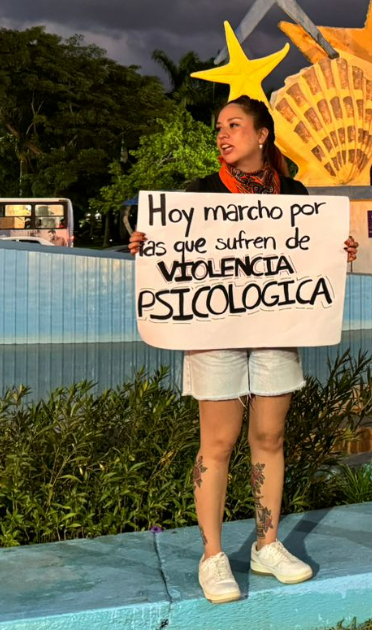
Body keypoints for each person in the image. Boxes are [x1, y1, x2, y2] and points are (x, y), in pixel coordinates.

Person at [129, 96, 359, 604]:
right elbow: (171, 249)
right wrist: (150, 245)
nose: (223, 135)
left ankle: (266, 544)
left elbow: (311, 260)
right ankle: (212, 555)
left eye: (234, 126)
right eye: (218, 128)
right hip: (215, 336)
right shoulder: (199, 195)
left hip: (277, 330)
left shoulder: (296, 195)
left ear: (262, 135)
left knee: (270, 436)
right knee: (218, 441)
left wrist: (336, 251)